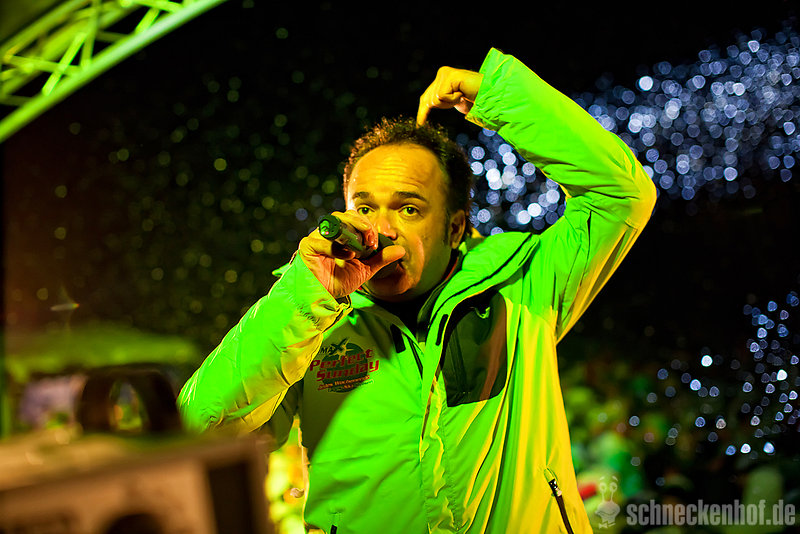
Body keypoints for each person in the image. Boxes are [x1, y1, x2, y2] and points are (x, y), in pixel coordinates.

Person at [178, 47, 657, 533]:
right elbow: (195, 434)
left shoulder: (523, 283)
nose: (381, 229)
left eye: (409, 209)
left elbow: (622, 194)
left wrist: (496, 96)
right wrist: (305, 297)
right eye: (365, 208)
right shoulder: (307, 318)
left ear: (455, 227)